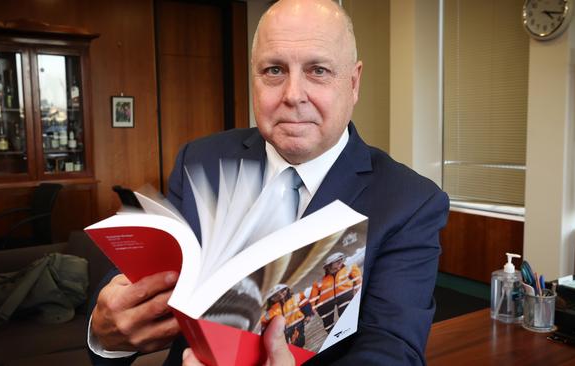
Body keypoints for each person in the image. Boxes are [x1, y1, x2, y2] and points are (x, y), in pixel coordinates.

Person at [87, 0, 449, 365]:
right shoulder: (200, 161)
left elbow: (392, 351)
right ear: (254, 78)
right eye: (274, 70)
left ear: (353, 83)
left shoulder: (410, 201)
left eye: (318, 70)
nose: (293, 95)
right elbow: (136, 276)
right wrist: (106, 333)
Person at [308, 252, 361, 333]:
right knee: (328, 325)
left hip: (345, 296)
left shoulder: (349, 269)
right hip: (325, 303)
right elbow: (312, 298)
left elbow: (358, 281)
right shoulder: (319, 282)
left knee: (345, 315)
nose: (340, 262)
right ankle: (335, 335)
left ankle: (351, 329)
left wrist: (359, 293)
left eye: (341, 260)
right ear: (328, 266)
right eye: (337, 261)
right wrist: (312, 309)